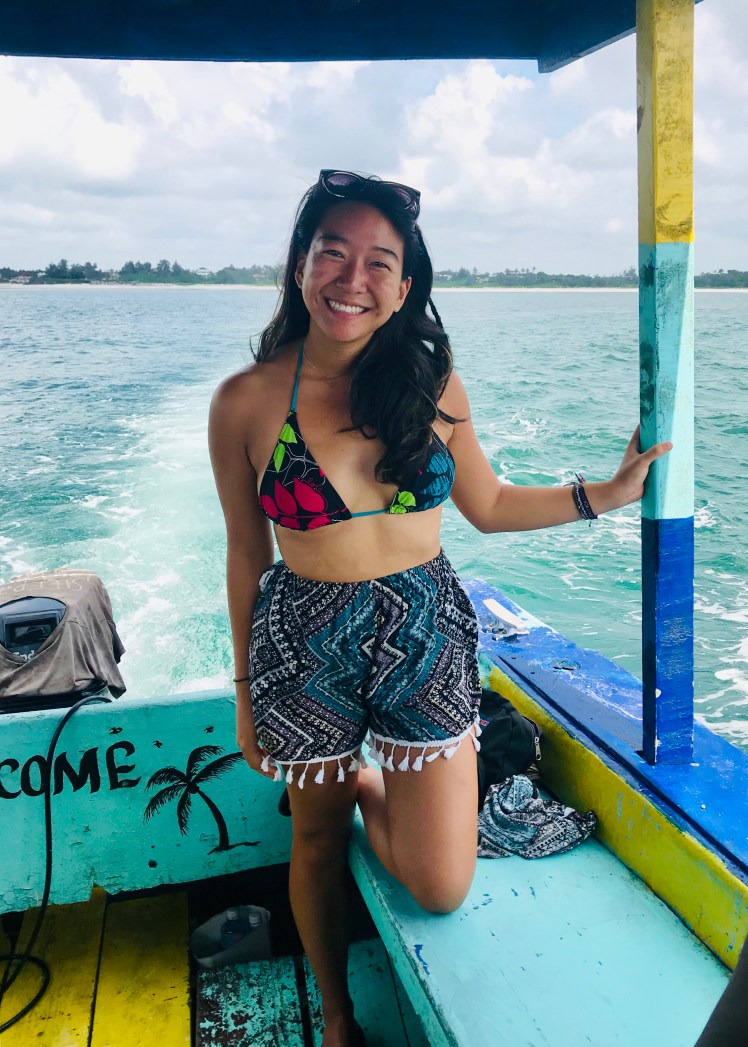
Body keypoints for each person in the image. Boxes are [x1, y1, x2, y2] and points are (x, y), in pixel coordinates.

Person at [208, 169, 671, 1047]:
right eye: (331, 251)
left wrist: (602, 495)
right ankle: (338, 1014)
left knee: (442, 884)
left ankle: (371, 780)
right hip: (305, 641)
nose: (352, 278)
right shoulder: (245, 400)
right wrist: (244, 692)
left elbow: (488, 505)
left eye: (380, 262)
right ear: (300, 265)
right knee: (315, 835)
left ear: (406, 285)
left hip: (425, 628)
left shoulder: (432, 378)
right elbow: (245, 554)